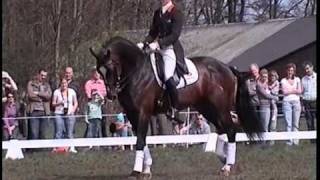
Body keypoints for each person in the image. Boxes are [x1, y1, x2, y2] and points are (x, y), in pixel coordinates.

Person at [137, 0, 188, 117]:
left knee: (167, 75)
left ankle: (176, 107)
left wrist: (159, 43)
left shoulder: (176, 13)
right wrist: (144, 43)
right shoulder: (157, 13)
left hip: (170, 49)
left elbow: (175, 35)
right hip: (157, 48)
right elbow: (152, 33)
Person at [52, 77, 78, 153]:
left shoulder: (72, 91)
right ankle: (56, 148)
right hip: (59, 114)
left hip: (69, 114)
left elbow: (75, 102)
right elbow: (53, 104)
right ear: (60, 84)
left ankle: (71, 147)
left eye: (65, 83)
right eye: (62, 83)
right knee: (58, 131)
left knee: (70, 132)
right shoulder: (56, 92)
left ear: (67, 84)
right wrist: (59, 103)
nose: (64, 85)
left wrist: (73, 110)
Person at [27, 69, 52, 141]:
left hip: (44, 112)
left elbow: (49, 96)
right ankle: (33, 150)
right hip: (34, 111)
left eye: (45, 76)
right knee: (34, 133)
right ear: (38, 75)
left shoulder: (47, 85)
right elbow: (31, 95)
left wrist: (38, 93)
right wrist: (42, 98)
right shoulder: (31, 83)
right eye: (42, 75)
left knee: (42, 133)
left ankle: (41, 151)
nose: (43, 77)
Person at [280, 63, 302, 146]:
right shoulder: (283, 80)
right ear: (286, 71)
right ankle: (289, 141)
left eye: (292, 70)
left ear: (294, 71)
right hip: (287, 102)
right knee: (288, 123)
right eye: (289, 70)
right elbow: (284, 92)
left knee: (295, 123)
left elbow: (299, 91)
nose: (290, 72)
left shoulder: (297, 79)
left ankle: (296, 141)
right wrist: (294, 90)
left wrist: (291, 91)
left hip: (296, 102)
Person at [256, 69, 278, 146]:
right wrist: (274, 98)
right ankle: (262, 142)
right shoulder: (259, 84)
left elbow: (275, 85)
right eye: (263, 76)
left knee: (271, 125)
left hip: (271, 106)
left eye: (266, 76)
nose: (265, 78)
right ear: (261, 76)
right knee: (264, 125)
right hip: (264, 106)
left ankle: (270, 143)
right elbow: (265, 95)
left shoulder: (268, 83)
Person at [84, 67, 107, 137]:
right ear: (92, 73)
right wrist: (94, 95)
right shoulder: (89, 83)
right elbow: (88, 94)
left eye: (98, 72)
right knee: (90, 125)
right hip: (92, 105)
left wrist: (99, 94)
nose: (97, 74)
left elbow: (104, 93)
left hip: (101, 104)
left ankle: (103, 141)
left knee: (102, 124)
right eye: (95, 72)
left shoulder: (102, 83)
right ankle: (88, 142)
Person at [301, 62, 316, 143]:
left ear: (312, 67)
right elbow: (302, 93)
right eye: (305, 69)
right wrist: (302, 104)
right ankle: (313, 141)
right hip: (307, 102)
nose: (307, 70)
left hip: (315, 101)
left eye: (308, 68)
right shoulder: (303, 79)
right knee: (309, 122)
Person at [268, 70, 280, 145]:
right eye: (271, 76)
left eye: (273, 76)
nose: (272, 77)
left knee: (273, 123)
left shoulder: (277, 83)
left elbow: (274, 92)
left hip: (273, 104)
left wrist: (269, 90)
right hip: (268, 104)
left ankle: (272, 141)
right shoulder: (269, 83)